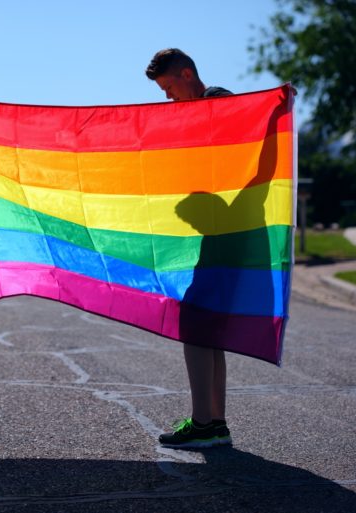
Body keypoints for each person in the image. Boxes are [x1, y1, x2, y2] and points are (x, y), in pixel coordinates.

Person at [145, 49, 233, 449]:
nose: (167, 98)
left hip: (227, 232)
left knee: (195, 324)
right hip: (221, 232)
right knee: (208, 327)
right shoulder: (206, 109)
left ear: (186, 73)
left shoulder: (216, 102)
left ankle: (203, 423)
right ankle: (214, 423)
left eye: (168, 88)